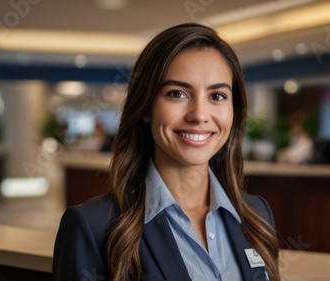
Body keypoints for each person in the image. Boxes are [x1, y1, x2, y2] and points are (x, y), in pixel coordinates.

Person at [52, 23, 280, 281]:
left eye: (217, 96)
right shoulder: (93, 227)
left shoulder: (257, 215)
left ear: (234, 110)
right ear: (147, 108)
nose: (199, 115)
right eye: (177, 93)